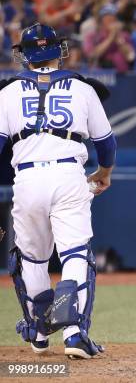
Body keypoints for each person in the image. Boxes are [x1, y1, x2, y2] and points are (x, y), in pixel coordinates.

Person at [1, 23, 116, 359]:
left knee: (32, 259)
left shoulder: (6, 93)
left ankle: (38, 330)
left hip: (26, 177)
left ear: (24, 55)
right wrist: (104, 172)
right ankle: (74, 333)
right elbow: (106, 142)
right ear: (57, 50)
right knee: (75, 254)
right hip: (69, 173)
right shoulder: (83, 89)